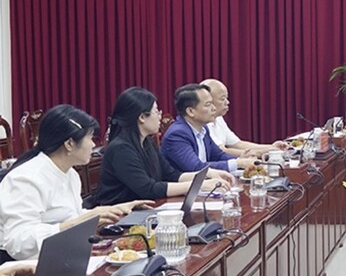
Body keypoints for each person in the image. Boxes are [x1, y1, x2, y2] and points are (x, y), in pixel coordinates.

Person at [0, 105, 151, 261]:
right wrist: (86, 218)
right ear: (70, 144)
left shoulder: (70, 174)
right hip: (22, 265)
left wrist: (112, 210)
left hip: (61, 256)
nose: (93, 145)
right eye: (90, 137)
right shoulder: (27, 179)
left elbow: (70, 217)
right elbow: (18, 243)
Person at [95, 87, 235, 205]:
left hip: (146, 209)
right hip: (121, 217)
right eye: (157, 111)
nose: (160, 116)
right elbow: (148, 189)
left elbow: (172, 175)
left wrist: (208, 175)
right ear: (142, 117)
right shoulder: (121, 149)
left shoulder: (147, 142)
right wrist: (198, 185)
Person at [161, 83, 256, 173]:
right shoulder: (177, 134)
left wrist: (240, 159)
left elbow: (219, 156)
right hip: (184, 184)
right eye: (208, 104)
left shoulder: (203, 129)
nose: (214, 108)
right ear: (190, 111)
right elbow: (196, 167)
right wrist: (238, 163)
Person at [201, 79, 288, 157]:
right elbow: (222, 151)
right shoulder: (204, 122)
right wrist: (261, 152)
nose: (227, 102)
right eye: (222, 99)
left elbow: (238, 144)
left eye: (226, 98)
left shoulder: (219, 118)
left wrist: (272, 147)